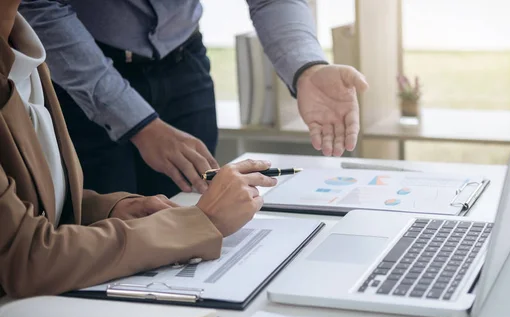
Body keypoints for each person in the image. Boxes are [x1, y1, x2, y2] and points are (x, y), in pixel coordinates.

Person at [0, 2, 276, 299]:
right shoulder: (36, 49)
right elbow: (28, 259)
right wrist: (199, 223)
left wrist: (107, 209)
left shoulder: (25, 51)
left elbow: (27, 206)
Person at [19, 0, 369, 198]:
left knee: (192, 217)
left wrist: (306, 67)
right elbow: (40, 8)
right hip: (82, 76)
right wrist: (138, 123)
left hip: (185, 62)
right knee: (105, 229)